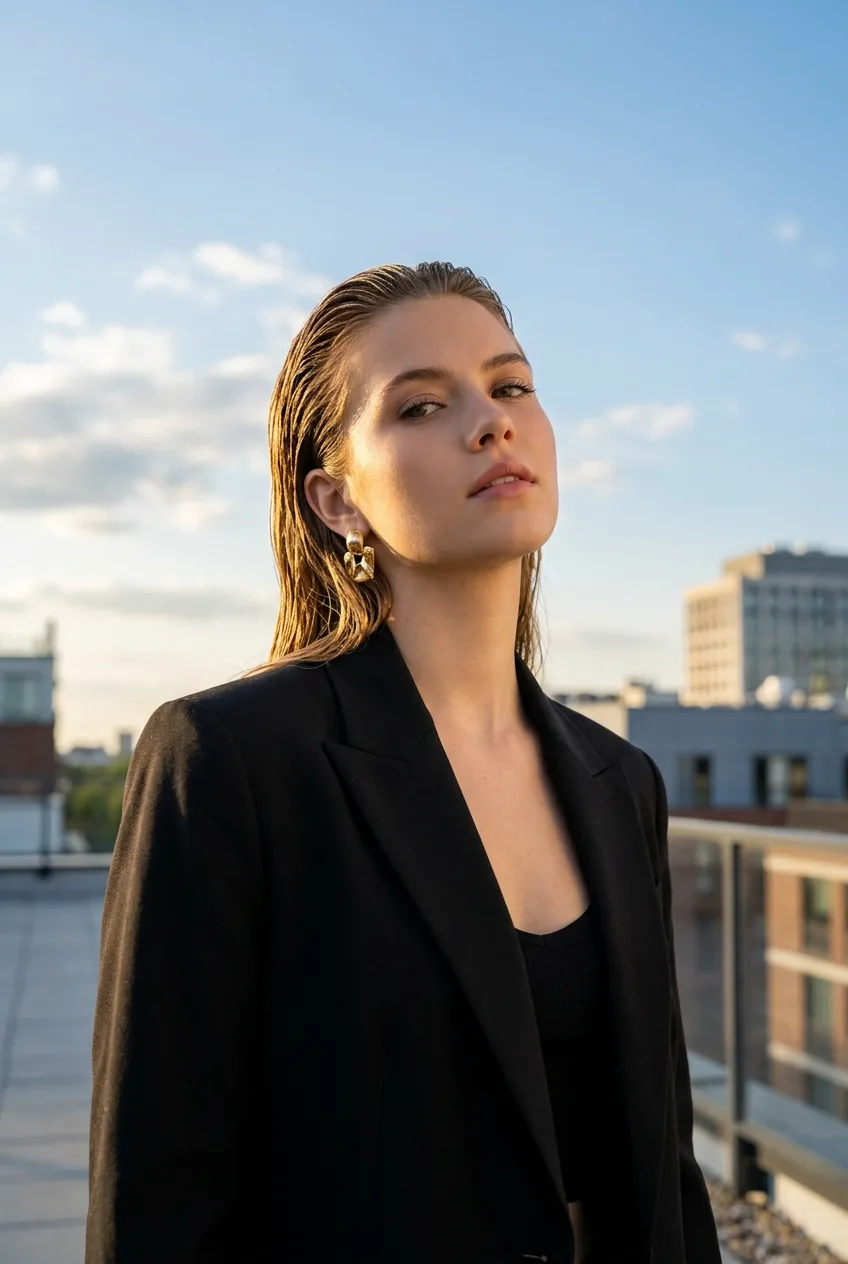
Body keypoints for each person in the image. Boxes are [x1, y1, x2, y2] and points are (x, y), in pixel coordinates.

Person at [85, 261, 721, 1263]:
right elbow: (156, 1199)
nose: (489, 422)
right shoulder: (230, 761)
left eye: (509, 386)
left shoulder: (618, 782)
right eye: (422, 404)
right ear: (337, 501)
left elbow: (660, 1172)